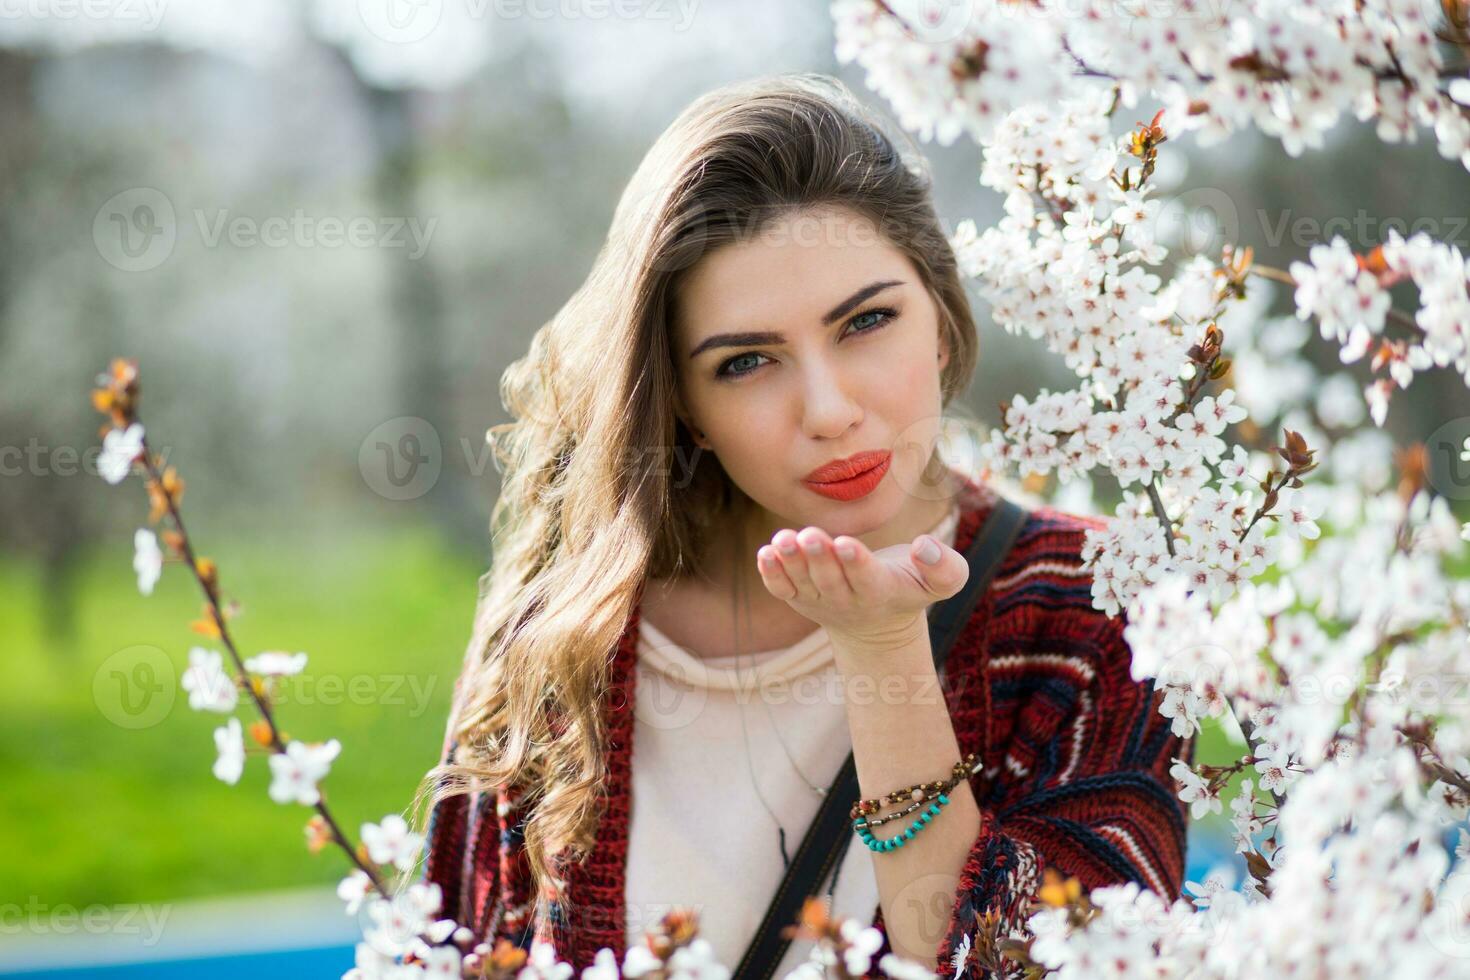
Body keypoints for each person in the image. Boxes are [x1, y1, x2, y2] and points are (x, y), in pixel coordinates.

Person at [414, 72, 1192, 980]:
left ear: (939, 320)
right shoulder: (567, 627)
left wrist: (885, 646)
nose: (828, 410)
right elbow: (451, 954)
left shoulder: (1092, 600)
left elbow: (1061, 965)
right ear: (686, 405)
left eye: (865, 321)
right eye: (746, 362)